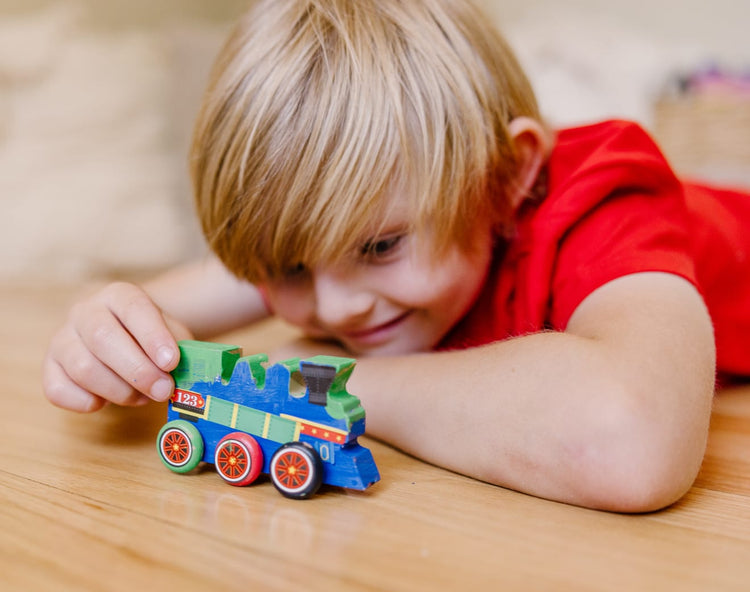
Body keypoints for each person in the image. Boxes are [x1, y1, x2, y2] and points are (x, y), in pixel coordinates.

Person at [43, 0, 750, 513]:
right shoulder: (344, 256)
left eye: (380, 246)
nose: (334, 306)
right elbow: (164, 313)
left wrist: (320, 388)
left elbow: (630, 442)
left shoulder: (602, 197)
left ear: (507, 179)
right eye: (289, 267)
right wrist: (108, 329)